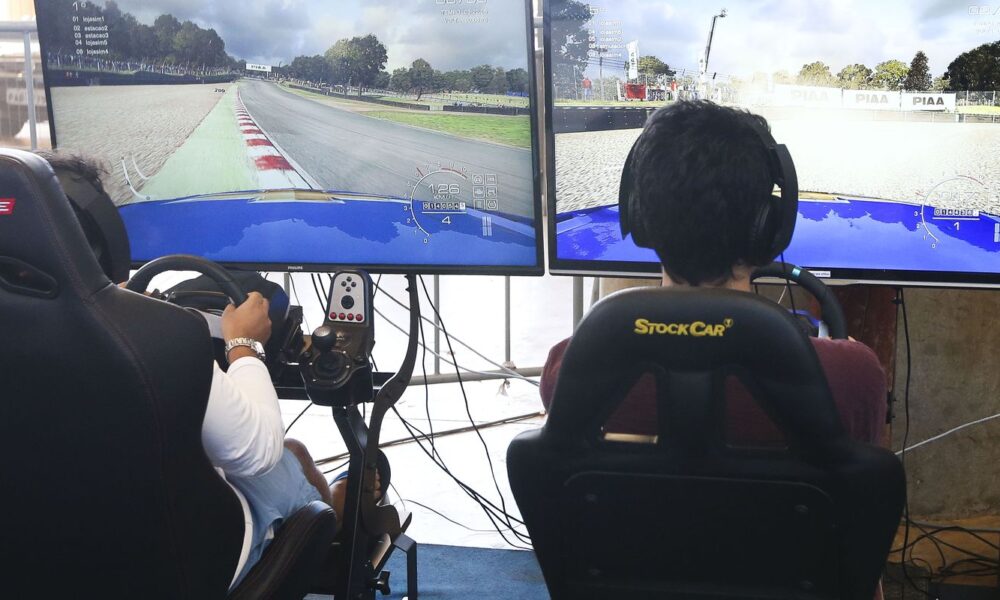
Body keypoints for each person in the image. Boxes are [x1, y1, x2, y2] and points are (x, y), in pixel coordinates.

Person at [39, 152, 368, 588]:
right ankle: (339, 515)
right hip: (174, 567)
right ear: (104, 242)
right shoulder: (149, 337)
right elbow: (256, 451)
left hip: (43, 557)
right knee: (289, 455)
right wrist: (243, 344)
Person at [540, 101, 887, 448]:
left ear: (639, 218)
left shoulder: (568, 370)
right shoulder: (854, 376)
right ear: (769, 226)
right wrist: (841, 353)